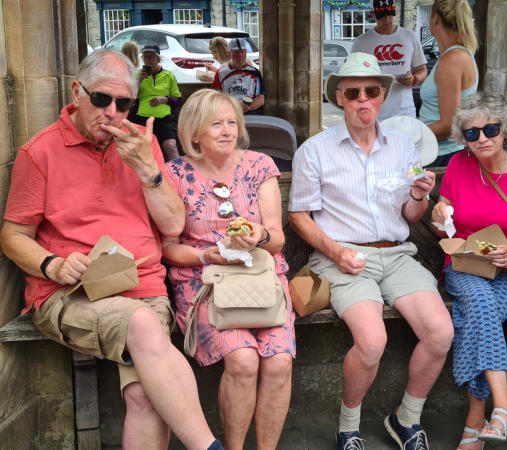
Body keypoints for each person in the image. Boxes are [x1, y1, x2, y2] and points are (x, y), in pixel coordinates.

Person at [0, 49, 222, 450]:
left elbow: (174, 226)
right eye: (101, 99)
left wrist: (146, 169)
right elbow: (13, 235)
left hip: (142, 285)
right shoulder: (40, 152)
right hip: (71, 292)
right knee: (142, 325)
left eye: (123, 104)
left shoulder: (142, 145)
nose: (112, 113)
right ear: (77, 92)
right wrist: (52, 264)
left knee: (145, 397)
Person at [288, 52, 454, 450]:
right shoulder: (315, 149)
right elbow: (298, 216)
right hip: (343, 256)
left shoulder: (402, 145)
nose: (363, 99)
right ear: (339, 98)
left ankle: (405, 418)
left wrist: (419, 196)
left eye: (371, 91)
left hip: (397, 254)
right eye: (353, 93)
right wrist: (335, 252)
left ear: (383, 95)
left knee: (441, 332)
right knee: (372, 341)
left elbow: (411, 215)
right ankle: (348, 426)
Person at [161, 89, 295, 450]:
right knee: (243, 360)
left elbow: (277, 237)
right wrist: (207, 256)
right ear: (194, 133)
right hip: (205, 281)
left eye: (232, 122)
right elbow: (168, 248)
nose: (227, 131)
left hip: (260, 278)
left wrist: (259, 235)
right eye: (216, 124)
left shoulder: (259, 165)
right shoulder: (174, 174)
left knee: (280, 362)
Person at [430, 92, 507, 449]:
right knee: (482, 304)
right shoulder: (458, 165)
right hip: (465, 263)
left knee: (475, 316)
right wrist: (439, 215)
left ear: (505, 130)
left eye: (490, 129)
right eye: (472, 133)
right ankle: (503, 409)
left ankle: (475, 421)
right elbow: (444, 226)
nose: (482, 138)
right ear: (463, 138)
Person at [420, 0, 479, 167]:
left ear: (436, 18)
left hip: (442, 156)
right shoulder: (459, 54)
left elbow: (449, 125)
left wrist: (409, 136)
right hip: (444, 153)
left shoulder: (452, 59)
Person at [350, 0, 428, 120]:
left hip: (404, 111)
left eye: (390, 14)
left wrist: (414, 79)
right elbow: (351, 77)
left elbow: (422, 70)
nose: (387, 20)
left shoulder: (410, 36)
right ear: (372, 14)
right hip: (372, 112)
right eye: (382, 16)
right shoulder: (361, 42)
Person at [131, 44, 182, 161]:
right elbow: (131, 97)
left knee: (171, 145)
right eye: (145, 57)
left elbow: (178, 100)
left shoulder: (168, 76)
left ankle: (178, 171)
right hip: (142, 118)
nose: (147, 60)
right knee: (141, 148)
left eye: (151, 57)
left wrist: (165, 99)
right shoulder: (138, 75)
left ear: (158, 59)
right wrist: (139, 82)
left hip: (164, 118)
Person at [212, 37, 265, 115]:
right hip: (229, 110)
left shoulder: (255, 73)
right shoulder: (221, 73)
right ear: (229, 54)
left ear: (246, 52)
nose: (240, 56)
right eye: (236, 53)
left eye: (243, 52)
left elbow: (261, 98)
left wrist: (249, 107)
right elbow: (215, 97)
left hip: (250, 110)